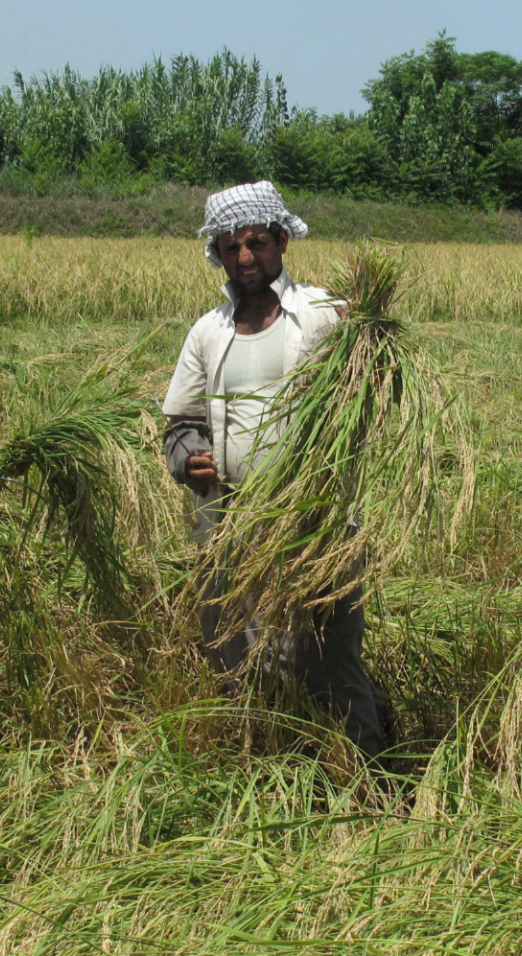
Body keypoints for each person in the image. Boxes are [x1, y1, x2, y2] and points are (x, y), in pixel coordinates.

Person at [161, 181, 388, 759]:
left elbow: (373, 388)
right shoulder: (208, 331)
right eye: (230, 247)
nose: (245, 259)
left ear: (282, 240)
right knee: (235, 656)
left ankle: (368, 776)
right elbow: (180, 420)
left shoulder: (323, 315)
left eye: (256, 243)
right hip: (229, 528)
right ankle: (266, 768)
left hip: (314, 526)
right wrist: (189, 458)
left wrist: (374, 338)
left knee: (327, 659)